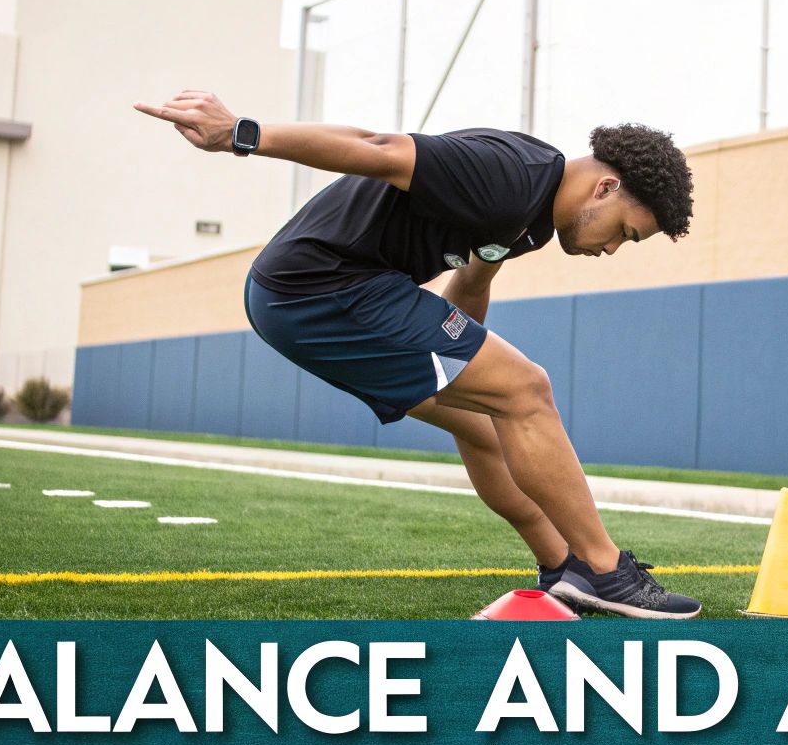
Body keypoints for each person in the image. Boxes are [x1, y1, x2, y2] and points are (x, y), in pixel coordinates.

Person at [134, 91, 702, 619]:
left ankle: (563, 568)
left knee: (490, 420)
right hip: (323, 287)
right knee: (527, 389)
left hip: (299, 295)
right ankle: (606, 570)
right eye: (625, 232)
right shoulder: (510, 176)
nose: (612, 248)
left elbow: (472, 283)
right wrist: (241, 132)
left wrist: (474, 372)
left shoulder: (531, 218)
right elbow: (376, 147)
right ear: (604, 188)